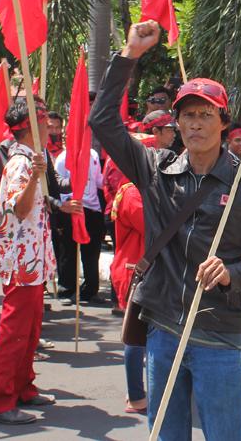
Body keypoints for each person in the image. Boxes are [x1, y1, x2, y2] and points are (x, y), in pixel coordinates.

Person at [90, 20, 241, 441]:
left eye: (205, 114)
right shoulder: (155, 168)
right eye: (187, 115)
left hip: (220, 336)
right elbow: (102, 121)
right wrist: (130, 54)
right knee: (166, 436)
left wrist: (233, 272)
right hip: (164, 332)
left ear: (223, 122)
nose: (195, 123)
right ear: (176, 124)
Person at [0, 99, 58, 425]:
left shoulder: (33, 159)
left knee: (29, 331)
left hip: (34, 258)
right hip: (21, 261)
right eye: (44, 122)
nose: (50, 128)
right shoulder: (19, 164)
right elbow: (20, 208)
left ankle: (24, 386)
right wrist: (34, 178)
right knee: (15, 333)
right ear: (32, 126)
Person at [108, 166, 147, 414]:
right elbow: (155, 226)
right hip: (135, 270)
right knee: (136, 336)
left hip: (141, 268)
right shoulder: (133, 193)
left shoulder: (140, 190)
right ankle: (135, 395)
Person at [54, 137, 106, 304]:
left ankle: (90, 290)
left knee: (92, 251)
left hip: (92, 208)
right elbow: (57, 185)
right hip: (73, 208)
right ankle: (67, 289)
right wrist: (66, 204)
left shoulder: (93, 155)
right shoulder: (63, 158)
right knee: (68, 250)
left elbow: (98, 180)